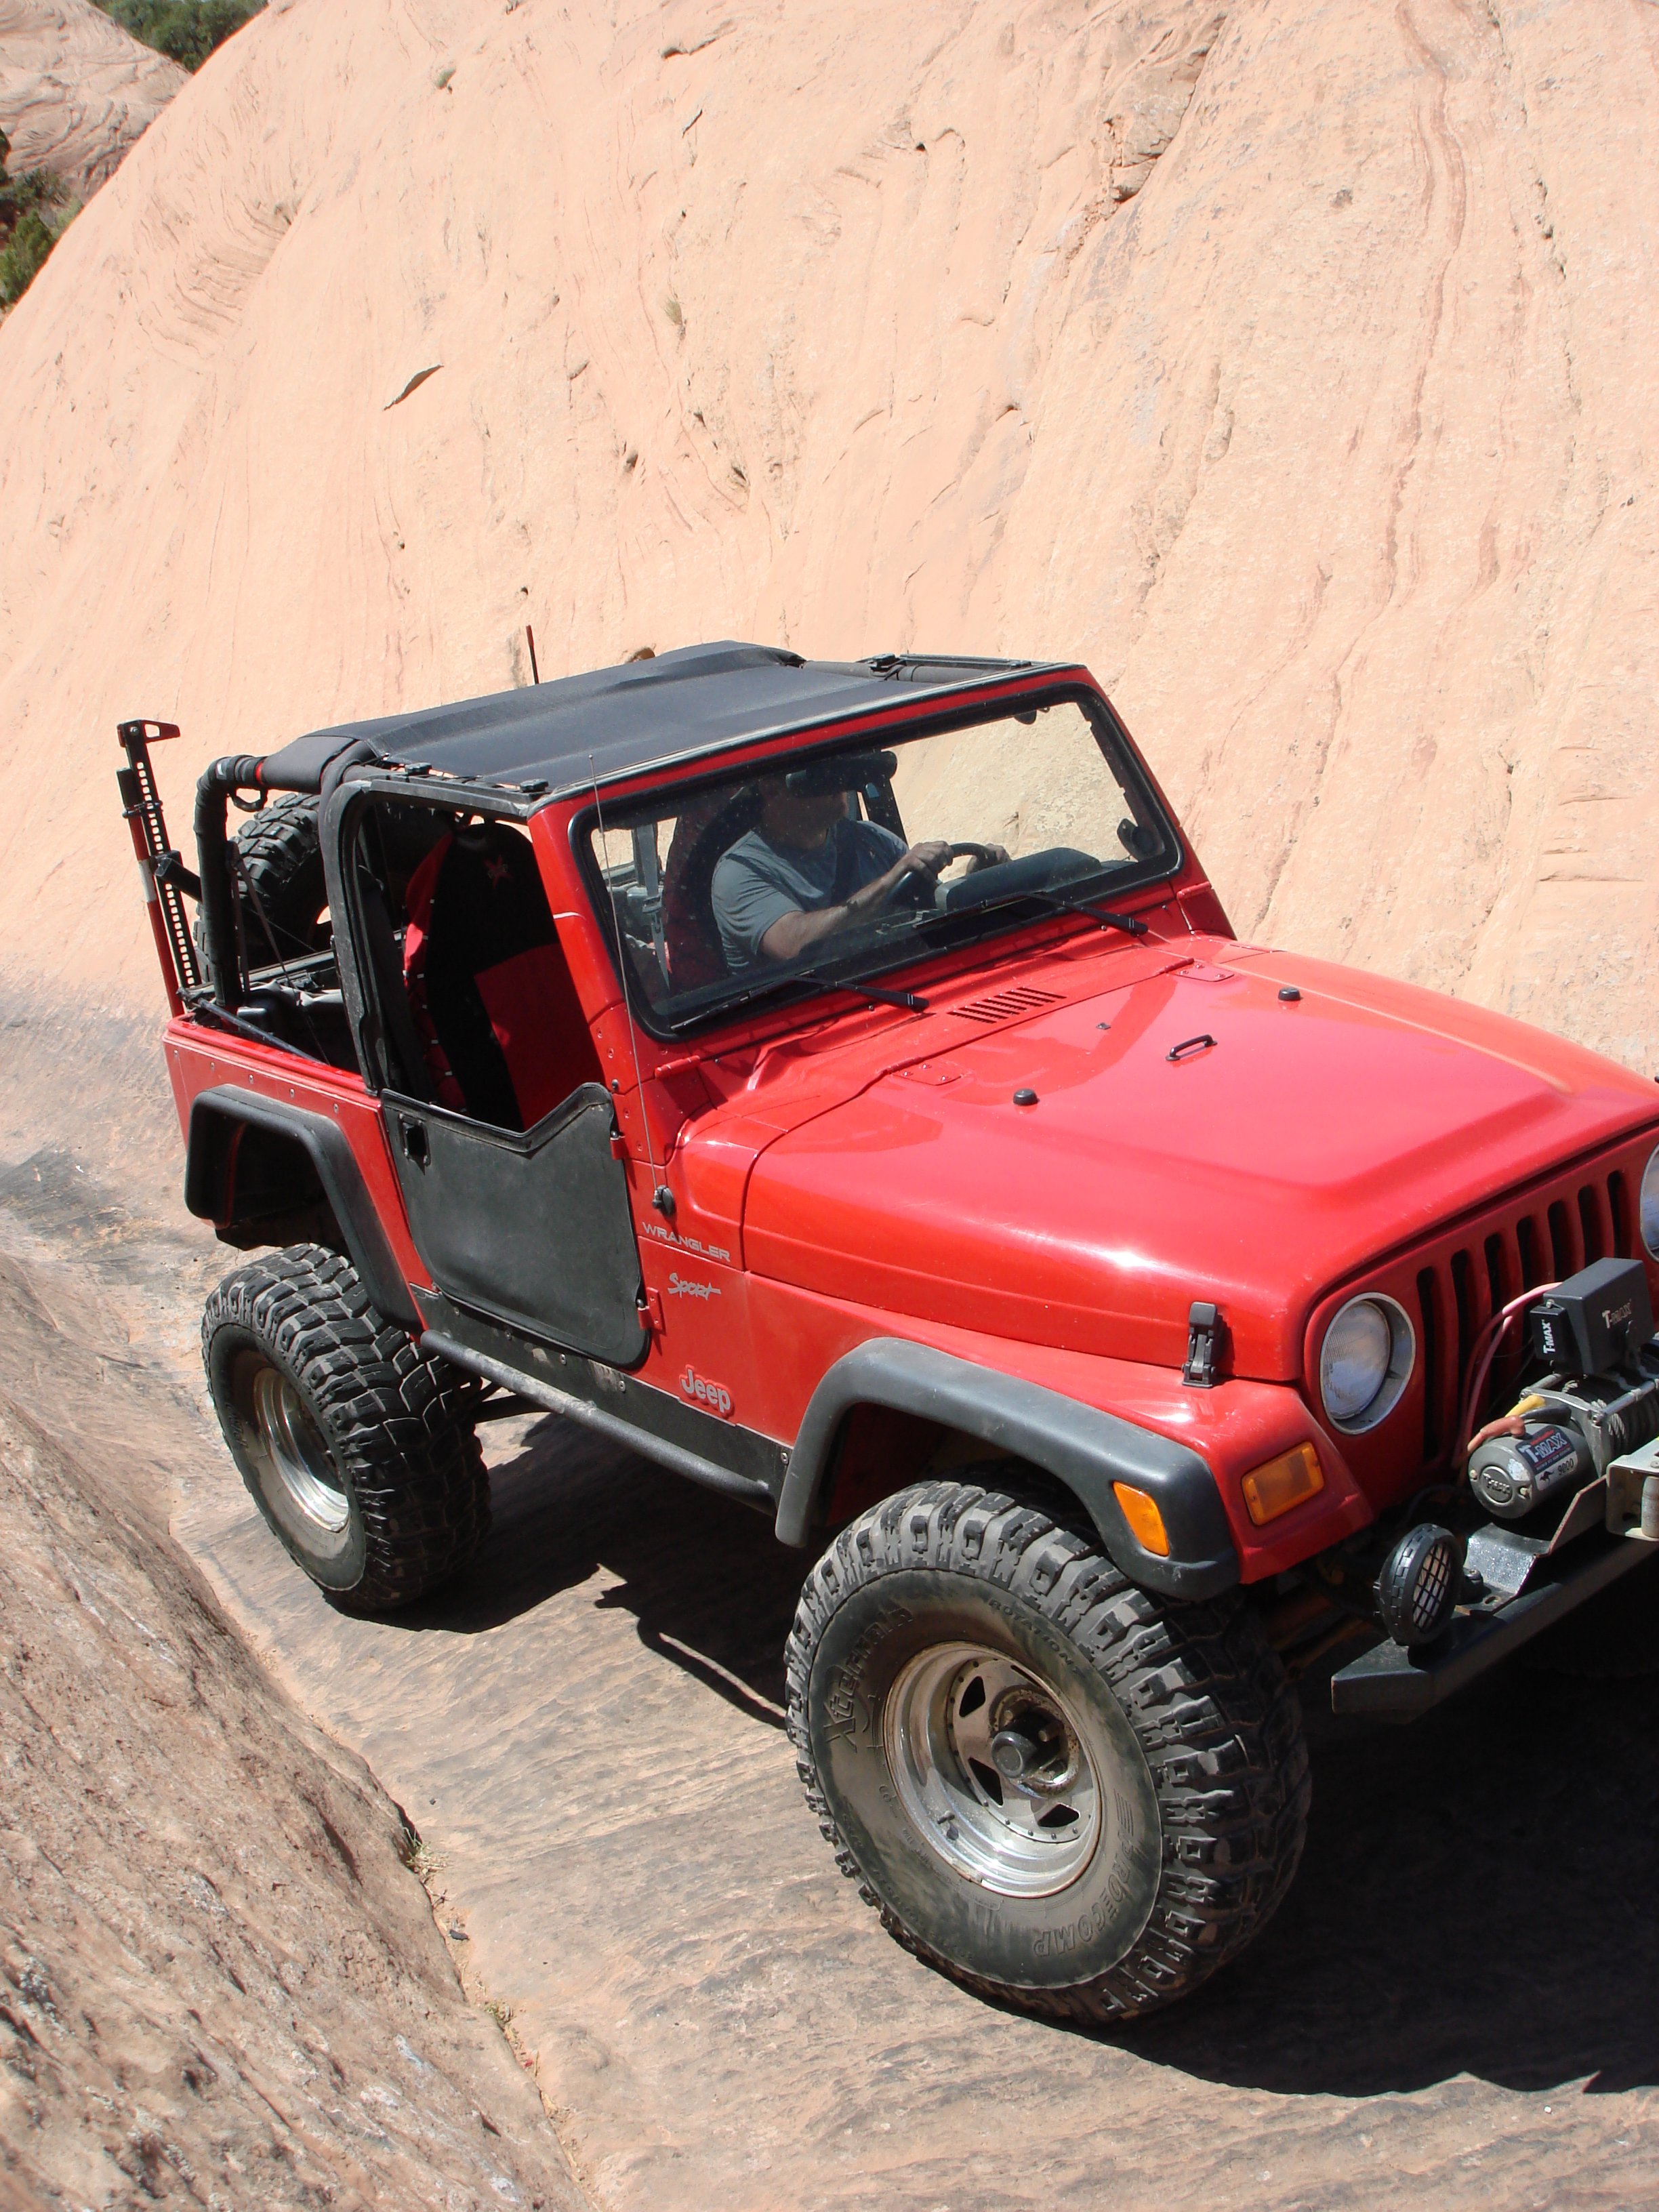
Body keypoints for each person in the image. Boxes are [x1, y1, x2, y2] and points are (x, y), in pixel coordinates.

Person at [712, 760, 1006, 972]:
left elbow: (925, 910)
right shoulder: (739, 872)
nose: (839, 783)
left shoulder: (871, 840)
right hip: (808, 1019)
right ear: (772, 790)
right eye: (820, 774)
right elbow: (793, 945)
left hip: (902, 981)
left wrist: (974, 885)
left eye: (840, 768)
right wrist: (891, 880)